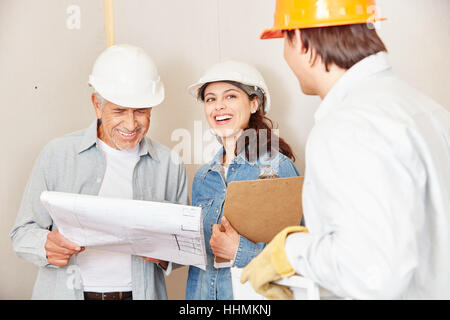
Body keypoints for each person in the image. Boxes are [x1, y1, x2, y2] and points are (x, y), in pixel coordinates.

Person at [241, 0, 450, 299]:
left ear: (298, 39)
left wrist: (290, 251)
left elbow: (373, 273)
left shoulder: (346, 126)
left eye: (283, 40)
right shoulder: (430, 112)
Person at [10, 44, 188, 300]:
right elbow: (22, 232)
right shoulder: (57, 154)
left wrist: (167, 254)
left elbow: (184, 247)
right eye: (119, 111)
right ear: (97, 105)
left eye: (140, 111)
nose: (131, 124)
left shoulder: (169, 164)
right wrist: (45, 246)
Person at [185, 60, 301, 300]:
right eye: (210, 99)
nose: (219, 107)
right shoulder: (203, 178)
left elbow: (298, 252)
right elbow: (200, 263)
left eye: (230, 97)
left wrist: (240, 251)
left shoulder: (277, 168)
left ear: (254, 103)